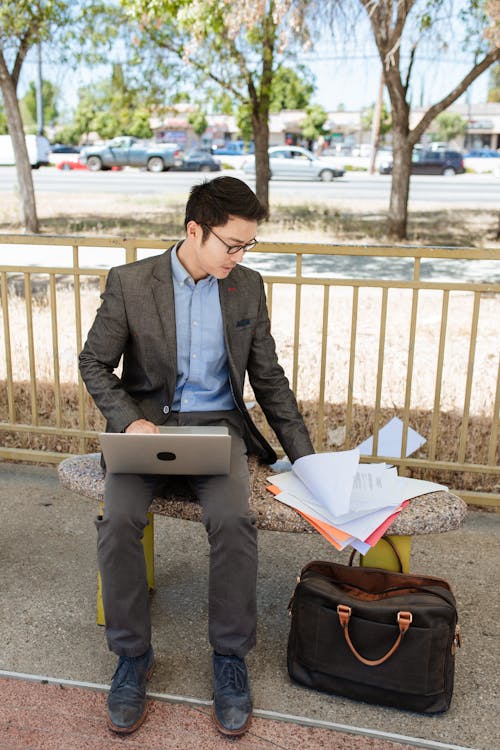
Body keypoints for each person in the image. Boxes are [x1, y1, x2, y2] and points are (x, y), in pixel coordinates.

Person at [79, 176, 314, 737]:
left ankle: (229, 659)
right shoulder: (132, 283)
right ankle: (133, 656)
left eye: (248, 246)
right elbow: (93, 364)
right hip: (148, 430)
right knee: (118, 523)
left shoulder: (247, 289)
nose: (240, 255)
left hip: (218, 432)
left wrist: (307, 460)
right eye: (232, 244)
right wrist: (130, 421)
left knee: (234, 520)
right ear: (194, 230)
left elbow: (270, 380)